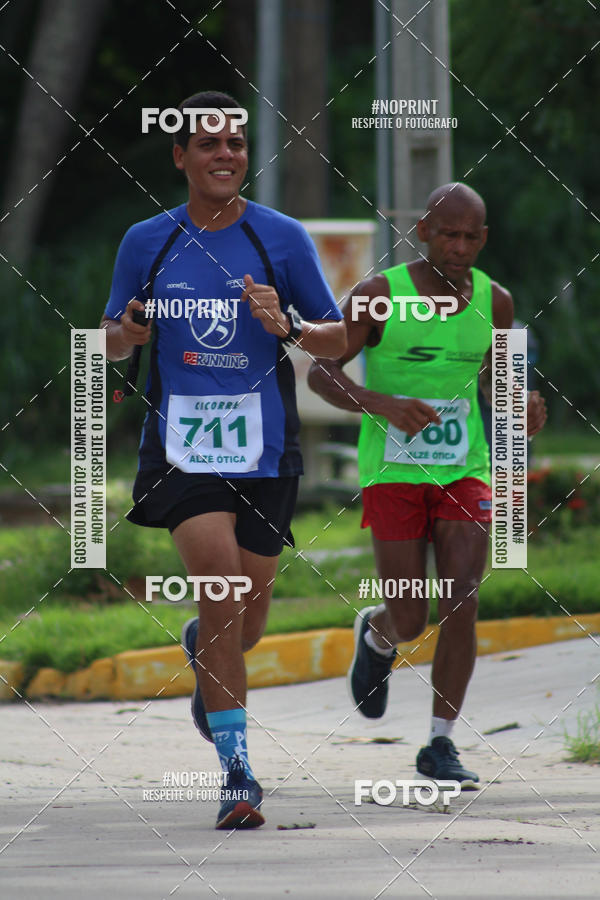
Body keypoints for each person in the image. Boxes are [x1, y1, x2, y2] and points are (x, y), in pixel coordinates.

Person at [100, 91, 346, 829]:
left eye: (236, 142)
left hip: (266, 450)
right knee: (221, 589)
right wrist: (127, 336)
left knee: (246, 614)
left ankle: (204, 652)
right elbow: (107, 338)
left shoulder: (282, 238)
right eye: (209, 144)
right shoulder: (147, 241)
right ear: (180, 156)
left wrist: (289, 324)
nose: (226, 154)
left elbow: (337, 338)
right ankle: (238, 775)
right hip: (182, 449)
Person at [308, 182, 546, 787]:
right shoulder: (379, 295)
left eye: (470, 237)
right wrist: (381, 402)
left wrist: (520, 405)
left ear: (484, 238)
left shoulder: (496, 302)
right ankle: (380, 633)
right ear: (423, 233)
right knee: (412, 617)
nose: (459, 248)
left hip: (464, 468)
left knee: (462, 597)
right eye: (448, 235)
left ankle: (440, 743)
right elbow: (320, 373)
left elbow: (497, 383)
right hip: (392, 472)